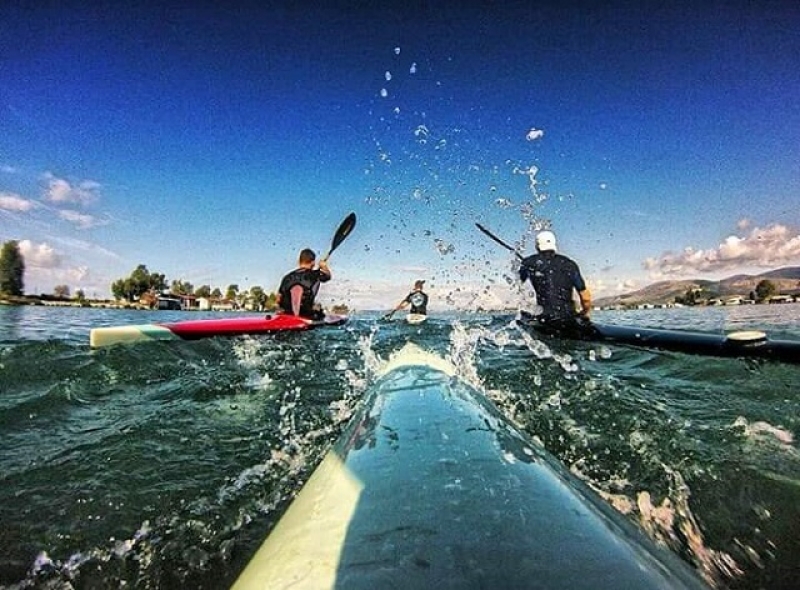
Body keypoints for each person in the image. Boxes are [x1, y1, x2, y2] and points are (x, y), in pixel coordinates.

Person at [518, 230, 594, 337]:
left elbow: (518, 282)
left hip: (545, 320)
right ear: (554, 244)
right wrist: (585, 312)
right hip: (569, 320)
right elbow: (585, 297)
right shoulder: (569, 264)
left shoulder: (528, 262)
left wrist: (525, 265)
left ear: (537, 246)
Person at [277, 248, 331, 320]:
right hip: (305, 315)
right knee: (320, 313)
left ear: (299, 261)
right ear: (313, 262)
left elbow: (278, 299)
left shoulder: (287, 277)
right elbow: (328, 276)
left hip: (286, 314)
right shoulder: (315, 274)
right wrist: (324, 266)